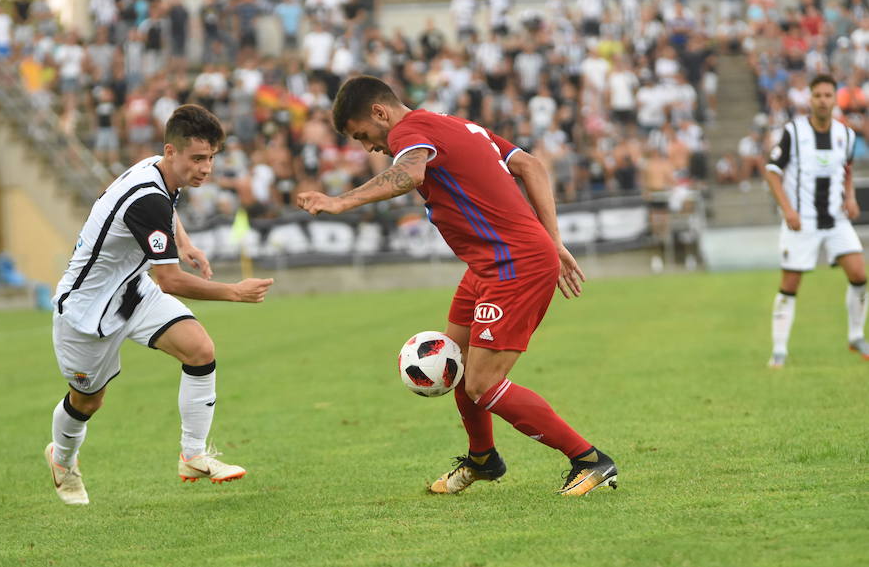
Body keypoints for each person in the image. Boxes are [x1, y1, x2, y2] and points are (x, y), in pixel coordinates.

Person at [297, 76, 618, 497]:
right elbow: (530, 164)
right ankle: (483, 459)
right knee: (456, 357)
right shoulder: (456, 125)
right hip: (488, 264)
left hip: (512, 263)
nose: (369, 147)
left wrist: (340, 201)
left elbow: (409, 173)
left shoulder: (408, 133)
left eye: (363, 136)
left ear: (380, 113)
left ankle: (590, 459)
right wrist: (552, 239)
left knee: (482, 384)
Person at [46, 105, 274, 505]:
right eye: (198, 159)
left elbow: (166, 211)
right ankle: (62, 460)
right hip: (87, 312)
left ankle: (193, 455)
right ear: (172, 151)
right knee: (88, 400)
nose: (206, 168)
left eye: (211, 158)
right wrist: (235, 292)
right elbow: (168, 280)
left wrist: (183, 243)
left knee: (200, 350)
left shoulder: (161, 170)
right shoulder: (147, 197)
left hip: (131, 291)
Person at [764, 74, 868, 368]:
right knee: (790, 283)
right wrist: (788, 210)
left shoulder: (845, 134)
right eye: (818, 95)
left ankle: (856, 335)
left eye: (828, 95)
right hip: (802, 221)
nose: (823, 100)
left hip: (835, 219)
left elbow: (846, 169)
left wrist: (850, 198)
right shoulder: (794, 132)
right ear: (809, 99)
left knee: (859, 275)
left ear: (836, 99)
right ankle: (779, 349)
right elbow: (772, 171)